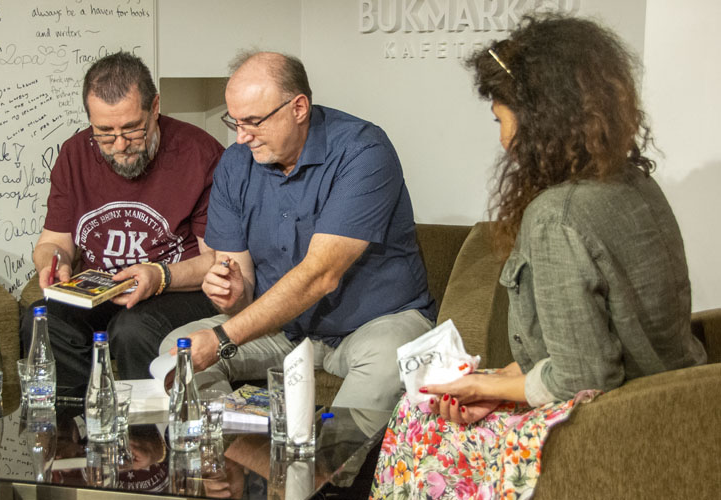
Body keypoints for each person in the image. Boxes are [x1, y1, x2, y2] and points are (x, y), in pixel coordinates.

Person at [370, 14, 707, 499]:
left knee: (415, 418)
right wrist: (498, 379)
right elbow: (593, 342)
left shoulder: (557, 216)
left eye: (500, 119)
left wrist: (486, 389)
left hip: (611, 425)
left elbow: (583, 376)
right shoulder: (635, 184)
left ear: (537, 118)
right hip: (673, 405)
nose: (502, 138)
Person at [162, 51, 436, 411]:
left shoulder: (363, 150)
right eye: (235, 122)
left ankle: (331, 450)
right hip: (283, 330)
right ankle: (237, 437)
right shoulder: (235, 163)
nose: (241, 137)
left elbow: (320, 275)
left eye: (253, 122)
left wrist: (223, 338)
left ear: (299, 108)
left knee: (388, 360)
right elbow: (240, 286)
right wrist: (232, 294)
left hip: (374, 325)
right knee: (178, 348)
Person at [21, 52, 224, 393]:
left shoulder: (200, 154)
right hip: (103, 289)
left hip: (177, 287)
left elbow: (217, 261)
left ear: (155, 107)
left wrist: (159, 276)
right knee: (43, 320)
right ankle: (78, 421)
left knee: (132, 329)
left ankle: (148, 425)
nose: (119, 145)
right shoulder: (74, 154)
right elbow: (52, 242)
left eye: (132, 129)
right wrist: (53, 264)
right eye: (104, 132)